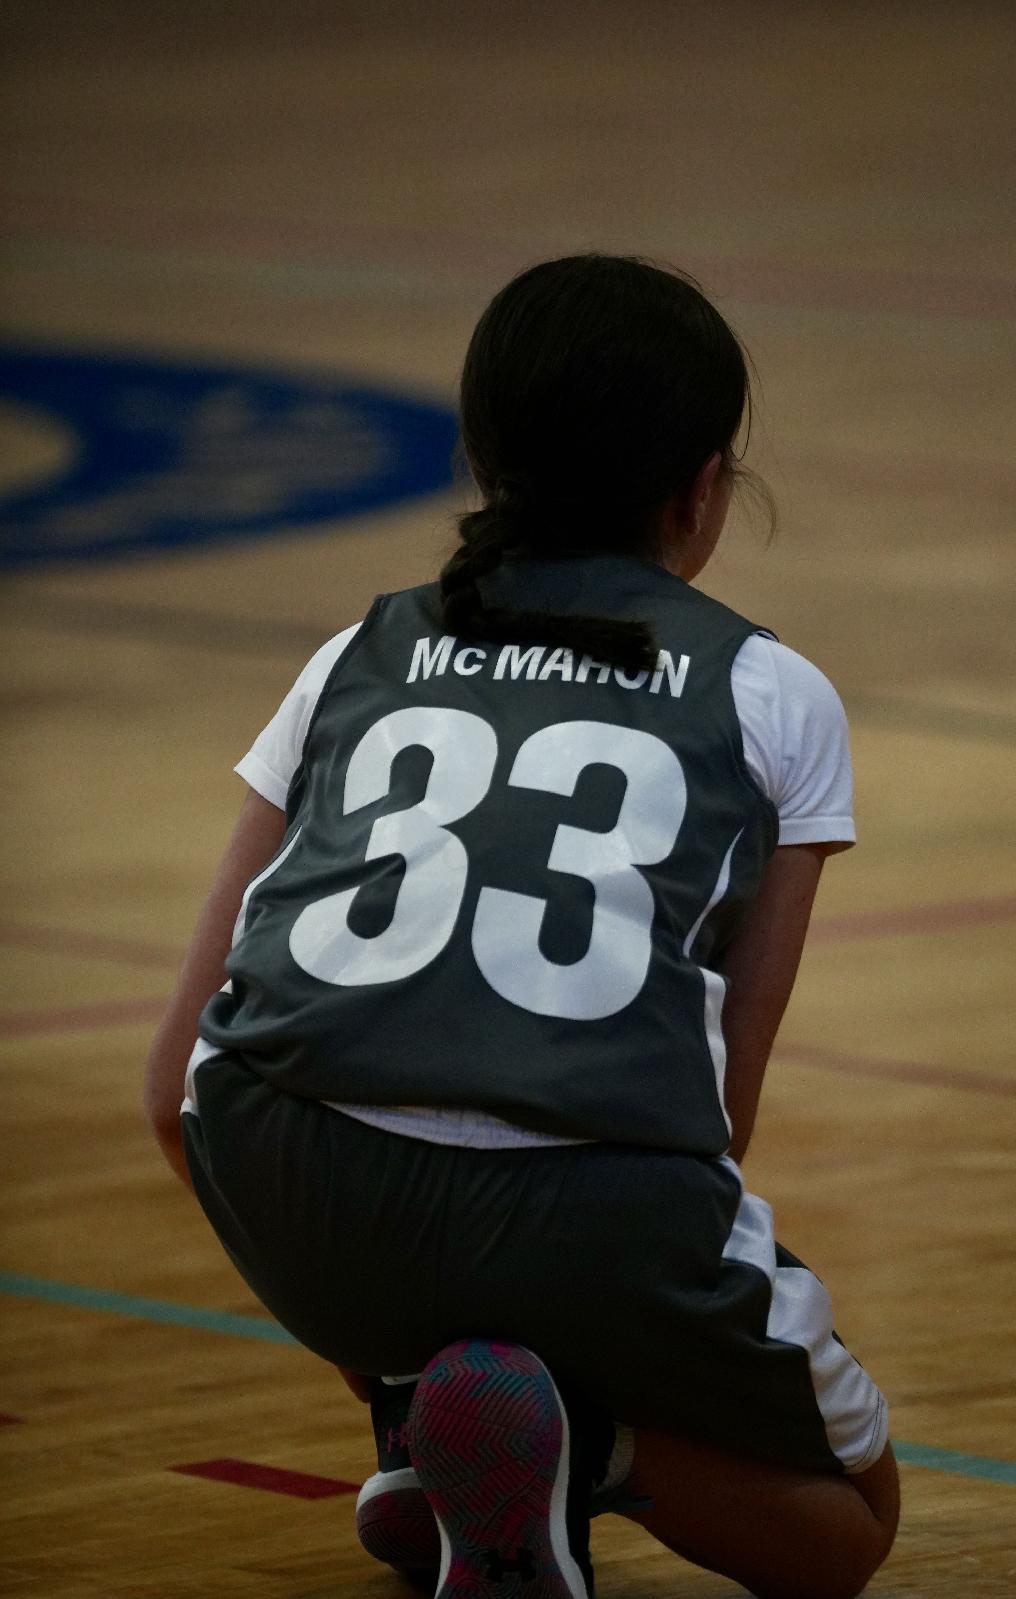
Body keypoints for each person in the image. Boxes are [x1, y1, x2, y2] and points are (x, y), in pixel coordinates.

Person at [145, 253, 899, 1599]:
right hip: (595, 1210)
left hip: (291, 1179)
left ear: (480, 464)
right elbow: (717, 1113)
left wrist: (387, 1290)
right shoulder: (772, 691)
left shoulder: (354, 653)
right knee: (850, 1530)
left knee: (368, 1206)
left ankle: (418, 1421)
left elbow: (170, 1087)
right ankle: (578, 1445)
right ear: (704, 488)